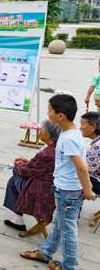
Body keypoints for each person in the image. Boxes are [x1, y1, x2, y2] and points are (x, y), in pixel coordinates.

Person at [20, 94, 96, 270]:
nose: (48, 114)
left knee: (68, 231)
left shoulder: (69, 138)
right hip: (64, 189)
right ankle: (45, 253)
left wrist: (88, 190)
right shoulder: (71, 133)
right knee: (57, 222)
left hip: (68, 192)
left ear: (60, 116)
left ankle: (68, 266)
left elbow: (82, 167)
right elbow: (81, 162)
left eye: (49, 110)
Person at [2, 120, 61, 232]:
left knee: (14, 178)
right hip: (55, 189)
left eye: (41, 130)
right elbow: (44, 167)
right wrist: (28, 162)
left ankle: (18, 220)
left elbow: (26, 171)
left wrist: (18, 164)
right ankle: (18, 220)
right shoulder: (60, 148)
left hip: (44, 194)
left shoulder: (45, 154)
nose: (39, 132)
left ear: (48, 135)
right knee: (14, 179)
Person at [80, 112, 100, 194]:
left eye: (82, 124)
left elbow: (82, 168)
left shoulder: (97, 146)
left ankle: (73, 203)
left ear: (93, 126)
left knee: (74, 175)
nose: (80, 128)